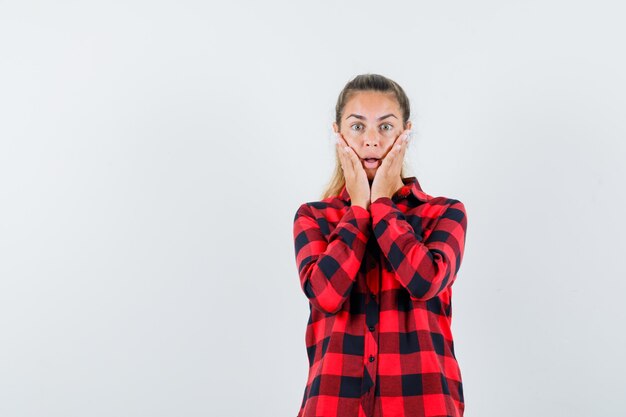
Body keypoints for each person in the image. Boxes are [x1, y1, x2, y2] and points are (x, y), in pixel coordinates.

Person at [292, 74, 468, 417]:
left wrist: (382, 205)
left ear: (405, 134)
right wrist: (358, 209)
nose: (371, 141)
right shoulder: (313, 218)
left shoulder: (444, 213)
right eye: (357, 127)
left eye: (385, 127)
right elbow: (325, 294)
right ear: (338, 134)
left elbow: (424, 281)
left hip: (422, 406)